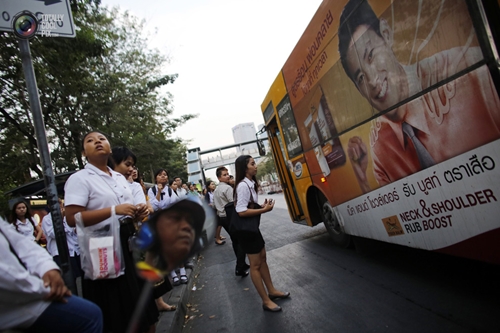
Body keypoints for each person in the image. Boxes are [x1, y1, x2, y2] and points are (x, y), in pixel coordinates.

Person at [338, 0, 500, 192]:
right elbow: (390, 213)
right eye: (361, 77)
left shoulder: (471, 75)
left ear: (387, 35)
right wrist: (363, 180)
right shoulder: (381, 149)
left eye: (371, 55)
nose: (372, 80)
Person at [64, 131, 158, 333]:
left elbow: (128, 208)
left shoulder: (118, 177)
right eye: (90, 140)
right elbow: (72, 218)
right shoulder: (79, 179)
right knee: (117, 308)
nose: (97, 142)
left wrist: (137, 211)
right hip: (102, 246)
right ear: (83, 152)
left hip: (128, 241)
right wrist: (114, 210)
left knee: (141, 305)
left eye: (102, 139)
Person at [0, 218, 103, 333]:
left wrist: (48, 268)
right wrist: (48, 289)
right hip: (15, 301)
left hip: (37, 272)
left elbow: (20, 242)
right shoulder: (47, 220)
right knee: (90, 316)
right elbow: (8, 278)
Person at [109, 146, 177, 313]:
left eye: (133, 166)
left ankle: (157, 302)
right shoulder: (106, 184)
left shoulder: (137, 187)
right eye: (128, 165)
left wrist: (139, 210)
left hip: (137, 231)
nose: (132, 170)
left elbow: (147, 209)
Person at [233, 155, 289, 312]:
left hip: (252, 229)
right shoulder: (243, 186)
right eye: (252, 164)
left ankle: (271, 291)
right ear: (245, 168)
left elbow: (248, 205)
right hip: (246, 231)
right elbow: (241, 211)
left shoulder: (250, 183)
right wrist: (263, 210)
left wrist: (260, 206)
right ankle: (265, 300)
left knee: (262, 258)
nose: (255, 166)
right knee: (255, 265)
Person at [213, 166, 249, 277]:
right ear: (219, 178)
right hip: (230, 217)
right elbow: (234, 203)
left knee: (235, 240)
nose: (228, 176)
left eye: (227, 174)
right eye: (224, 174)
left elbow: (215, 205)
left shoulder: (216, 190)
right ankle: (239, 267)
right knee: (241, 241)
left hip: (222, 218)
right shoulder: (227, 189)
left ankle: (242, 264)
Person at [41, 198, 82, 292]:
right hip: (59, 252)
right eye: (56, 203)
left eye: (60, 203)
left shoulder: (66, 217)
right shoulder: (47, 219)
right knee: (66, 279)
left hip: (73, 250)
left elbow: (73, 232)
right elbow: (54, 234)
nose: (59, 206)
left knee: (76, 276)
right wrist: (63, 223)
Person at [205, 180, 225, 245]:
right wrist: (211, 204)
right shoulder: (207, 194)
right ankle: (217, 239)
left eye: (214, 184)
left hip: (218, 209)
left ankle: (218, 235)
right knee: (218, 224)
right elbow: (206, 203)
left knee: (220, 224)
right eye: (212, 184)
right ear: (208, 186)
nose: (213, 185)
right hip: (213, 210)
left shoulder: (216, 192)